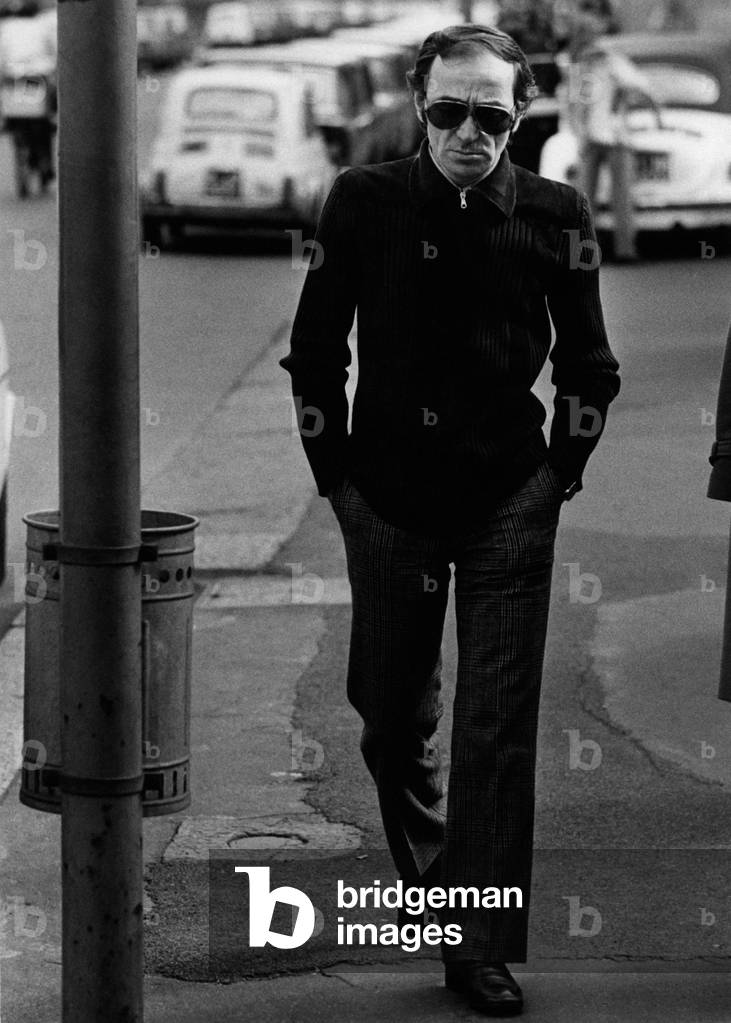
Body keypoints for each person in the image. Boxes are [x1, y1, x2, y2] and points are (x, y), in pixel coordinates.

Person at [280, 23, 620, 1016]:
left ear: (520, 117)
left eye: (492, 116)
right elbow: (312, 353)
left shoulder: (557, 212)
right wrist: (331, 476)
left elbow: (590, 365)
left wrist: (560, 471)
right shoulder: (361, 201)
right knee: (392, 719)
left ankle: (475, 944)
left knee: (496, 729)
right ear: (416, 105)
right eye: (448, 111)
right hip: (384, 500)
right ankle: (440, 890)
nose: (469, 132)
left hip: (509, 499)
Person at [555, 3, 657, 261]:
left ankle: (621, 249)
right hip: (594, 136)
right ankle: (590, 251)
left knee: (614, 196)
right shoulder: (579, 67)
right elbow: (575, 103)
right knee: (587, 198)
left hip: (613, 135)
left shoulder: (609, 61)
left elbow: (640, 87)